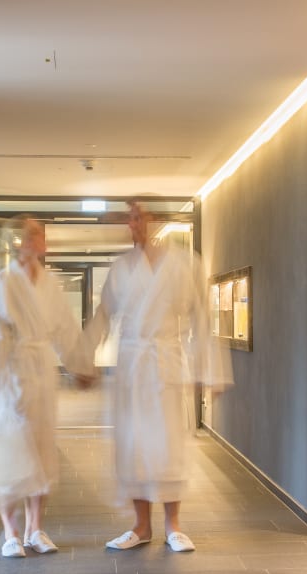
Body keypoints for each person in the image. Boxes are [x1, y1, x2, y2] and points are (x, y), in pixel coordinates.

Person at [82, 198, 232, 552]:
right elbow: (103, 314)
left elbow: (200, 316)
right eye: (130, 218)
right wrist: (83, 360)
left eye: (139, 217)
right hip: (132, 367)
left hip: (165, 364)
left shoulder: (184, 264)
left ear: (153, 219)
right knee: (133, 444)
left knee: (167, 443)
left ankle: (173, 526)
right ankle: (141, 526)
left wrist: (209, 369)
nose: (133, 224)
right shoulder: (121, 268)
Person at [0, 214, 94, 558]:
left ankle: (35, 528)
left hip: (41, 374)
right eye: (35, 234)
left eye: (41, 234)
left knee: (41, 451)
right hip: (10, 376)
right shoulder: (2, 282)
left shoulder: (51, 284)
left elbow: (65, 330)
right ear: (21, 242)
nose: (41, 239)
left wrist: (80, 366)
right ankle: (10, 532)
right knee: (10, 452)